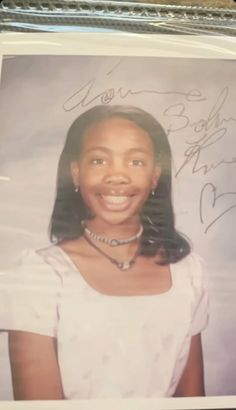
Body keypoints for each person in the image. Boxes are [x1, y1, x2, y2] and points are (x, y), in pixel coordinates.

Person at [0, 105, 208, 400]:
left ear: (155, 177)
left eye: (136, 161)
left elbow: (194, 401)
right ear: (75, 172)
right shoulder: (38, 275)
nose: (117, 176)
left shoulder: (188, 272)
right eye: (99, 160)